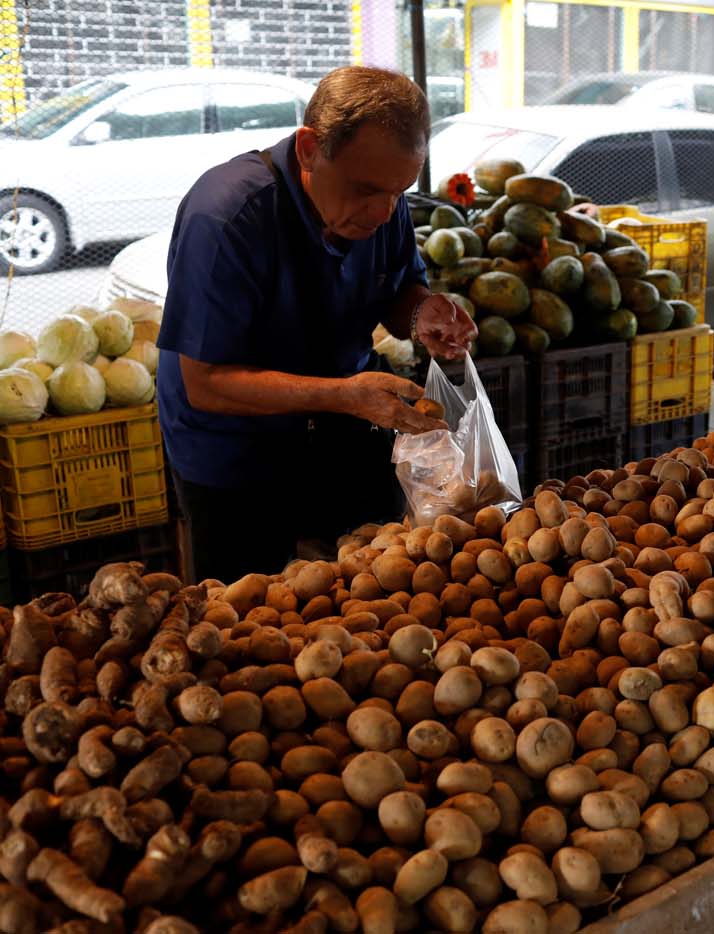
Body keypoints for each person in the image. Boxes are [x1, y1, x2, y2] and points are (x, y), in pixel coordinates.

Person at [157, 66, 477, 583]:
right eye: (366, 189)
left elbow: (398, 291)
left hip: (343, 426)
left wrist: (422, 314)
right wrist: (345, 395)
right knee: (248, 613)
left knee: (375, 580)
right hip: (235, 452)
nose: (383, 210)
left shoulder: (384, 195)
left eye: (400, 190)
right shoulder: (227, 217)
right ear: (309, 149)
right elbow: (206, 382)